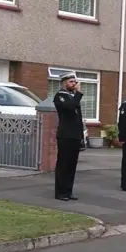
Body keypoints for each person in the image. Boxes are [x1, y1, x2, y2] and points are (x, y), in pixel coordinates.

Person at [53, 71, 83, 201]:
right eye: (71, 82)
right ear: (64, 83)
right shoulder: (60, 96)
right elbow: (70, 107)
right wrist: (79, 94)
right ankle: (60, 192)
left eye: (75, 82)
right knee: (63, 165)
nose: (74, 84)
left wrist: (81, 136)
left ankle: (68, 191)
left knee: (72, 165)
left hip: (75, 135)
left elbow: (78, 117)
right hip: (65, 135)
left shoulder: (73, 96)